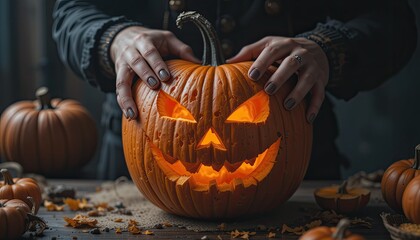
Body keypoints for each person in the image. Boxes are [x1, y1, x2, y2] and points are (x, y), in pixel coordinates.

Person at [52, 0, 417, 180]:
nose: (213, 140)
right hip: (135, 168)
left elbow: (393, 19)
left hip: (298, 170)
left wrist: (329, 48)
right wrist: (114, 39)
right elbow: (70, 10)